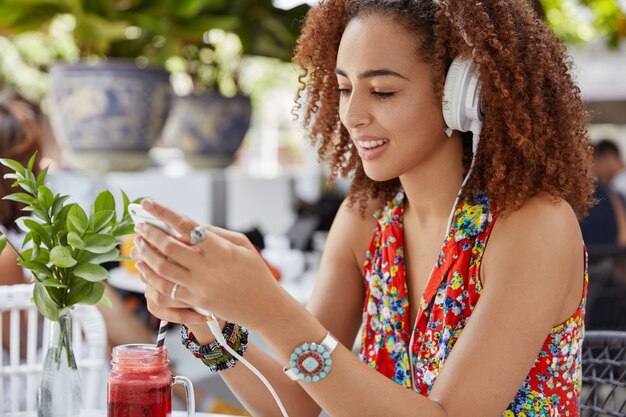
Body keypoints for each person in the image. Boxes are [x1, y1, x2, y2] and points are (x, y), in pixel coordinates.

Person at [132, 1, 594, 416]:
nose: (352, 115)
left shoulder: (535, 226)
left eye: (383, 91)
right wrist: (210, 326)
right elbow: (294, 403)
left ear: (463, 95)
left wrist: (270, 308)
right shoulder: (366, 220)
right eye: (344, 88)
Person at [0, 92, 153, 359]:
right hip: (27, 374)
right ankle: (172, 380)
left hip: (51, 350)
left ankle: (170, 379)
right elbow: (19, 346)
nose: (40, 170)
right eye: (32, 161)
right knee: (90, 290)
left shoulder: (17, 227)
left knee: (90, 289)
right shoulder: (5, 251)